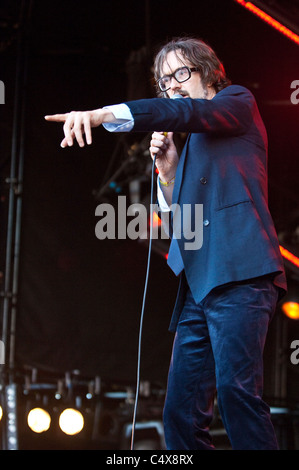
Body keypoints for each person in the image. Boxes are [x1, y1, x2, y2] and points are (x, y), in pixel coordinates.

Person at [45, 37, 287, 450]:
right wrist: (169, 171)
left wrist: (103, 114)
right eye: (163, 82)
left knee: (237, 397)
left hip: (241, 274)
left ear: (207, 71)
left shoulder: (236, 102)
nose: (171, 87)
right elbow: (182, 221)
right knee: (180, 411)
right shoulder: (188, 140)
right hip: (198, 283)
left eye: (179, 74)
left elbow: (185, 109)